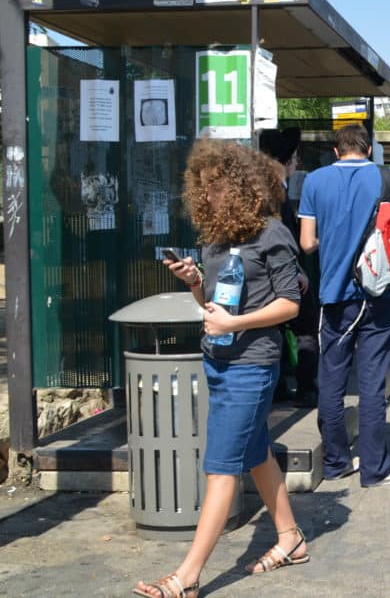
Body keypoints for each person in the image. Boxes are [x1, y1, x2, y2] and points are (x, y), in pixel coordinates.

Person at [134, 141, 305, 598]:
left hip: (252, 363)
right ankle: (291, 537)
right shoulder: (215, 238)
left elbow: (291, 304)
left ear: (241, 185)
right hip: (219, 358)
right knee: (254, 453)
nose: (207, 195)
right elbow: (211, 303)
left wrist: (238, 322)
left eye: (216, 186)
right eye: (202, 187)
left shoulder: (272, 234)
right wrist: (193, 282)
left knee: (222, 466)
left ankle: (187, 577)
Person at [297, 124, 390, 486]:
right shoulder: (389, 180)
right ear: (368, 149)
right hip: (377, 294)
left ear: (336, 150)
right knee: (371, 383)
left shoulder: (314, 181)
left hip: (333, 295)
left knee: (331, 380)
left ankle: (335, 463)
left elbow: (308, 243)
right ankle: (376, 470)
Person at [259, 129, 319, 408]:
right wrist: (296, 269)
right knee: (305, 326)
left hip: (271, 272)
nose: (297, 163)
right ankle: (306, 386)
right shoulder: (276, 193)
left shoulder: (263, 189)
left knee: (278, 327)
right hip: (285, 272)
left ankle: (281, 383)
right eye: (295, 157)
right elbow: (281, 236)